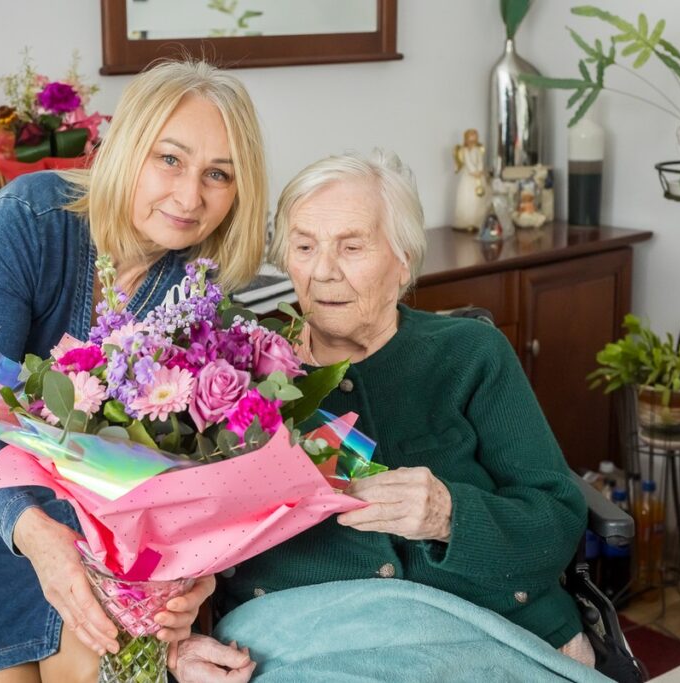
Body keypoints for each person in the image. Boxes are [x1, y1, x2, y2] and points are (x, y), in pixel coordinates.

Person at [0, 59, 268, 682]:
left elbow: (166, 460)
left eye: (218, 174)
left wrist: (194, 572)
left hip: (59, 475)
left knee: (89, 667)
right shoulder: (27, 223)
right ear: (128, 147)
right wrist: (37, 539)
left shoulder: (195, 289)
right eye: (170, 159)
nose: (191, 197)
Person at [168, 151, 594, 682]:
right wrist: (178, 650)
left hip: (482, 632)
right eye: (304, 247)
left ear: (403, 260)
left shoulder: (470, 355)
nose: (323, 270)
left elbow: (556, 521)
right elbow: (173, 551)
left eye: (351, 246)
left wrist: (449, 515)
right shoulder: (231, 374)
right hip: (301, 648)